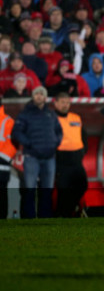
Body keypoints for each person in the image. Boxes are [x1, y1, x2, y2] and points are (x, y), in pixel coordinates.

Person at [13, 86, 63, 219]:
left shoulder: (51, 114)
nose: (39, 96)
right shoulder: (25, 114)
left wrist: (55, 144)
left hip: (49, 157)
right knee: (30, 190)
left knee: (47, 190)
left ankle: (45, 218)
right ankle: (28, 218)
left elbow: (59, 131)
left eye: (42, 94)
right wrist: (29, 144)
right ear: (33, 96)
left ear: (45, 97)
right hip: (31, 157)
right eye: (36, 94)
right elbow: (17, 132)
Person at [53, 92, 87, 217]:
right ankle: (62, 216)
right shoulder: (52, 119)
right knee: (63, 191)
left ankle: (68, 211)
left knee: (82, 185)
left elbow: (84, 136)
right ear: (55, 103)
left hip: (77, 160)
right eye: (62, 102)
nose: (65, 105)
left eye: (67, 103)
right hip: (62, 160)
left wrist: (83, 150)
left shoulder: (76, 117)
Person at [0, 97, 17, 219]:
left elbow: (12, 144)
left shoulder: (8, 121)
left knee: (1, 193)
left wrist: (2, 158)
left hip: (1, 164)